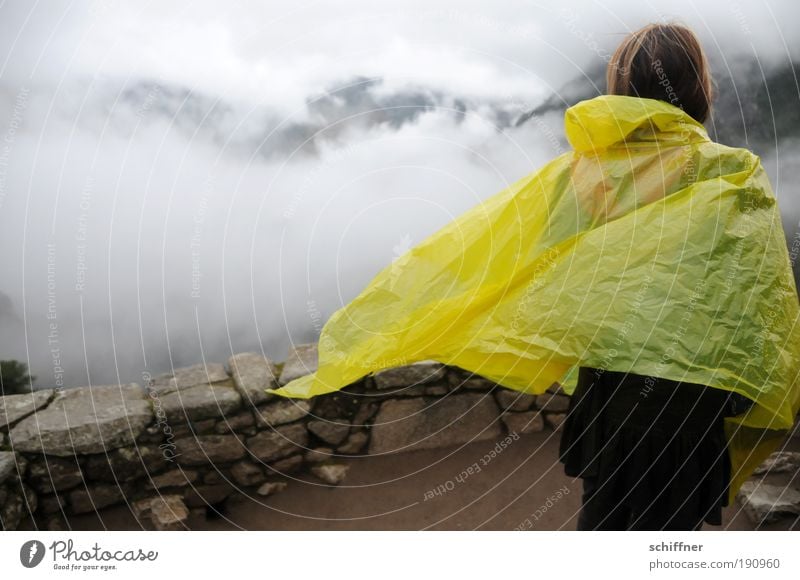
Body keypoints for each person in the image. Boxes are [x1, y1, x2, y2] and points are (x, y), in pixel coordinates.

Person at [558, 22, 757, 531]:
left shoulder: (585, 177)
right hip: (691, 397)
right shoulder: (732, 171)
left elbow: (563, 282)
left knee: (604, 519)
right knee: (674, 537)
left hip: (610, 393)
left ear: (622, 90)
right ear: (697, 88)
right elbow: (753, 293)